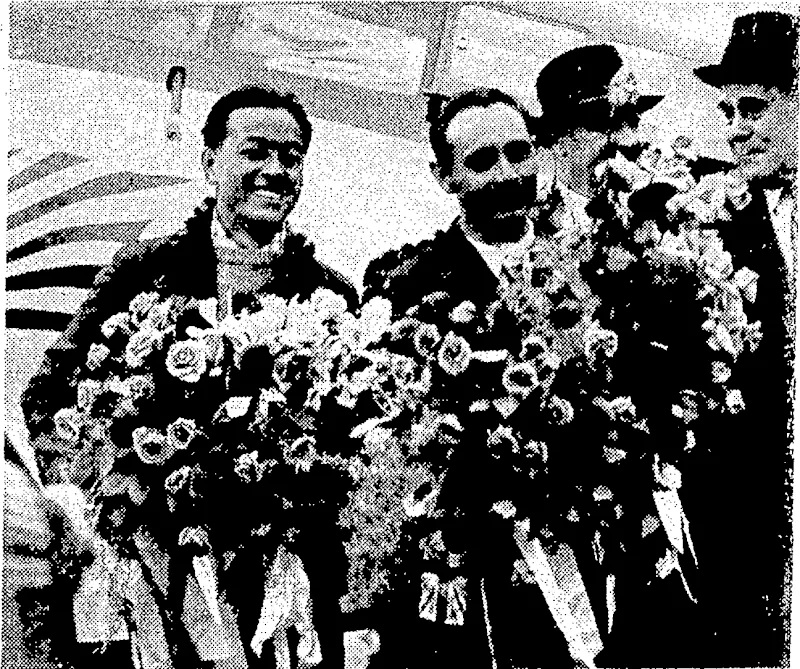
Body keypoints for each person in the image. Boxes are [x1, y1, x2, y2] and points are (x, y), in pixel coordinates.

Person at [21, 86, 357, 668]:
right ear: (210, 163)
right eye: (255, 152)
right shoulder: (145, 271)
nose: (274, 171)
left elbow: (355, 439)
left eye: (291, 156)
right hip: (158, 562)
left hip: (278, 568)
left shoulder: (329, 293)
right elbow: (47, 396)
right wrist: (109, 479)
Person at [363, 87, 589, 669]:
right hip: (474, 562)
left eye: (519, 152)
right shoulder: (409, 286)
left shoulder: (594, 265)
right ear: (445, 178)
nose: (509, 173)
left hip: (592, 535)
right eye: (482, 161)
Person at [680, 11, 798, 666]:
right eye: (727, 112)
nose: (735, 129)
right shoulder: (709, 220)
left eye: (753, 107)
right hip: (747, 504)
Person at [534, 44, 665, 226]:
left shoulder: (627, 191)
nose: (627, 139)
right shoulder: (541, 212)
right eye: (602, 123)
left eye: (632, 121)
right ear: (558, 136)